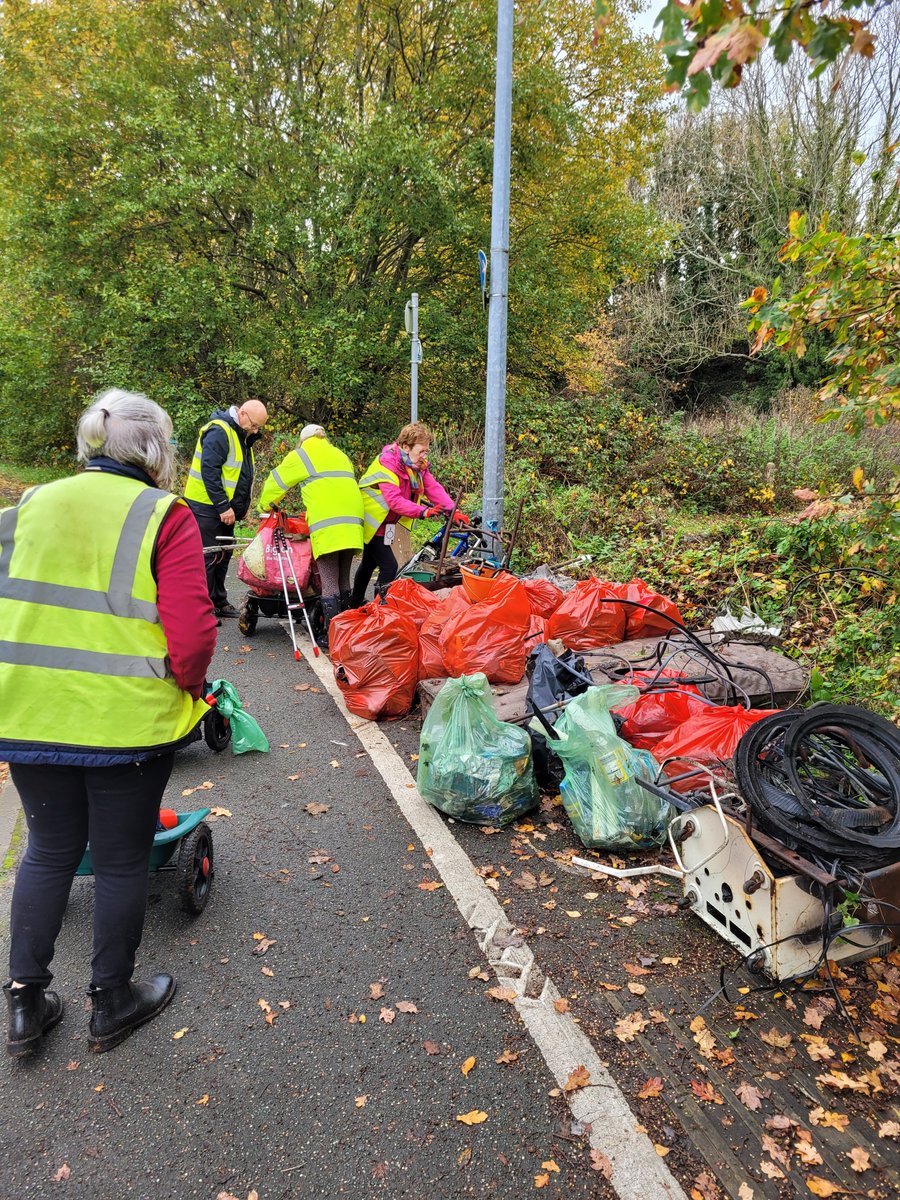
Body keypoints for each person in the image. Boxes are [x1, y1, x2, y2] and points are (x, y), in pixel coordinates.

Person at [0, 388, 218, 1057]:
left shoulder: (28, 506)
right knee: (122, 860)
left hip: (31, 716)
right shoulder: (164, 514)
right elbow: (192, 634)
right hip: (126, 724)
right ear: (155, 451)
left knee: (48, 849)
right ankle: (112, 1002)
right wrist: (192, 692)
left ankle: (25, 1006)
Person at [257, 424, 364, 649]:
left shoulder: (302, 454)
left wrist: (264, 506)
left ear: (303, 439)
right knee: (344, 578)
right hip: (353, 523)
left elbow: (275, 482)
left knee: (329, 580)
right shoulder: (340, 454)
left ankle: (332, 636)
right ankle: (348, 631)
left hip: (328, 525)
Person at [350, 422, 466, 607]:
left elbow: (433, 487)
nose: (424, 455)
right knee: (389, 566)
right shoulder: (387, 463)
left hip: (384, 523)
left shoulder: (416, 466)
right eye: (422, 451)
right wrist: (424, 511)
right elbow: (394, 501)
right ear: (406, 447)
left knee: (368, 564)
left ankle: (355, 604)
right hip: (371, 522)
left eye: (426, 451)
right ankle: (379, 610)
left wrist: (453, 510)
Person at [183, 398, 268, 618]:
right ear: (243, 414)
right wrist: (222, 506)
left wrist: (241, 506)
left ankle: (218, 601)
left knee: (223, 555)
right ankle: (203, 609)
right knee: (209, 558)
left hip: (223, 507)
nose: (256, 430)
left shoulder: (241, 436)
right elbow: (209, 472)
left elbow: (239, 474)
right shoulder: (219, 431)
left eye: (260, 427)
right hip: (206, 506)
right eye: (255, 425)